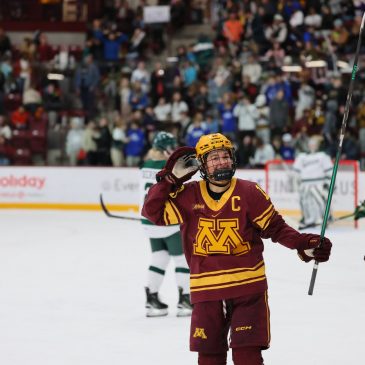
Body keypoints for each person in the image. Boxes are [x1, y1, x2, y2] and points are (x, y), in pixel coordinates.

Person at [142, 133, 332, 365]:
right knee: (210, 359)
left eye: (225, 156)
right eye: (214, 158)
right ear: (201, 164)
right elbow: (153, 213)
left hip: (248, 289)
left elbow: (277, 229)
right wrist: (168, 180)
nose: (221, 161)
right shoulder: (187, 194)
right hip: (206, 291)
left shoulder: (250, 192)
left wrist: (304, 244)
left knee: (248, 358)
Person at [141, 131, 192, 318]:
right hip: (167, 222)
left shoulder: (145, 165)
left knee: (159, 258)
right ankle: (185, 300)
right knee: (181, 260)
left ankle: (152, 299)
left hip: (148, 222)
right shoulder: (167, 167)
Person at [293, 135, 333, 229]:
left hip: (318, 182)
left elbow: (329, 171)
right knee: (305, 202)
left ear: (318, 145)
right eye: (310, 144)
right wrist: (296, 182)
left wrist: (328, 183)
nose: (311, 146)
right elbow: (296, 172)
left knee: (320, 201)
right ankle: (308, 220)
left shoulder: (322, 156)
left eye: (314, 144)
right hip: (305, 183)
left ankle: (324, 219)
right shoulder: (302, 157)